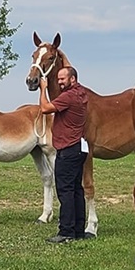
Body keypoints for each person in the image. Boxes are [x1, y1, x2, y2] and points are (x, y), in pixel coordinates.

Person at [38, 66, 89, 243]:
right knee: (76, 189)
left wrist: (43, 88)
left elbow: (45, 108)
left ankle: (66, 231)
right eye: (58, 79)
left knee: (65, 190)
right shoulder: (81, 93)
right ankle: (79, 230)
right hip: (79, 147)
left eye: (62, 79)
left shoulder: (68, 96)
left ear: (72, 79)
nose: (59, 82)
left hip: (67, 148)